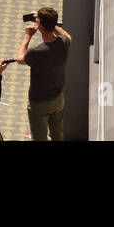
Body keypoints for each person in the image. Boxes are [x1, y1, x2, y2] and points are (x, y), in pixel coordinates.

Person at [16, 7, 72, 140]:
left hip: (39, 102)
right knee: (57, 134)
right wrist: (52, 24)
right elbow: (67, 35)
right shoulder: (64, 43)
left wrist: (27, 37)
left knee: (40, 137)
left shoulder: (36, 52)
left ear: (39, 24)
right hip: (58, 99)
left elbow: (20, 58)